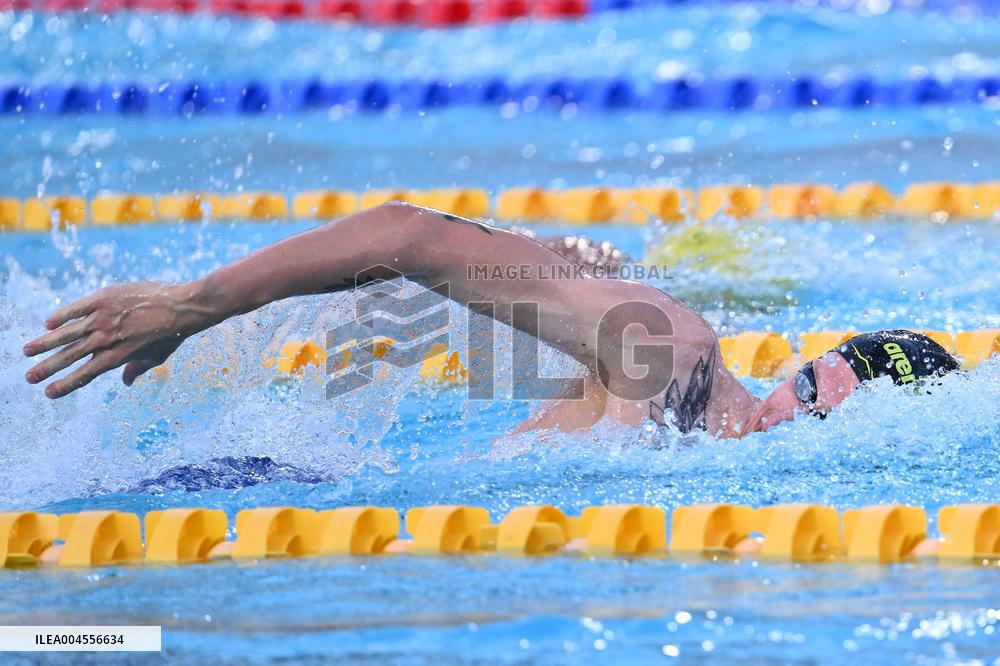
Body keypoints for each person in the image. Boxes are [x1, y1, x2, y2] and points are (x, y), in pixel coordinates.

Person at [22, 202, 959, 438]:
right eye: (816, 390)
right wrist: (195, 307)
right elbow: (407, 235)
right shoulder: (675, 356)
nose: (806, 407)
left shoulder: (676, 401)